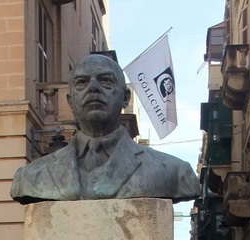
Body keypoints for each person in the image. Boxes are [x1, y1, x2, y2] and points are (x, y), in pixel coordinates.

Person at [10, 54, 199, 204]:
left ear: (126, 98)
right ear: (70, 101)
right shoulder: (30, 177)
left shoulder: (174, 172)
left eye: (105, 81)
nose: (93, 88)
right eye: (82, 82)